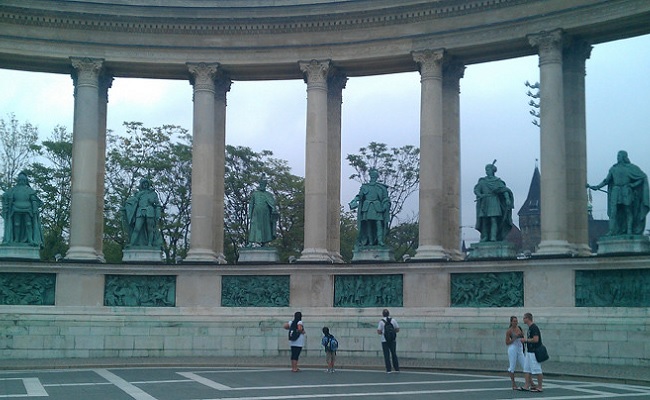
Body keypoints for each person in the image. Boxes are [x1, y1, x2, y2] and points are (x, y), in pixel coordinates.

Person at [588, 150, 649, 236]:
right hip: (616, 190)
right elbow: (606, 181)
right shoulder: (613, 169)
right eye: (617, 156)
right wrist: (597, 186)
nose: (618, 157)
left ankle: (629, 231)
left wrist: (633, 184)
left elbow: (642, 177)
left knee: (628, 211)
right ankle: (612, 230)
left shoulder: (630, 168)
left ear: (624, 157)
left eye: (619, 156)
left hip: (626, 190)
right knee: (614, 212)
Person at [349, 168, 390, 247]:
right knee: (368, 225)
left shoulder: (381, 188)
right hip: (367, 207)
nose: (373, 177)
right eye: (372, 176)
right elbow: (360, 196)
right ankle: (370, 242)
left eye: (375, 176)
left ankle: (380, 241)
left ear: (376, 177)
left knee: (378, 224)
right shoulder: (365, 187)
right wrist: (354, 200)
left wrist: (385, 206)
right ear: (370, 177)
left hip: (378, 208)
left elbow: (385, 199)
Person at [473, 162, 514, 242]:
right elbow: (476, 190)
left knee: (493, 219)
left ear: (492, 170)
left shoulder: (498, 181)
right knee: (485, 220)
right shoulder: (482, 181)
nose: (486, 171)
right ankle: (485, 236)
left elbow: (504, 190)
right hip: (485, 202)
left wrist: (507, 199)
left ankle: (493, 237)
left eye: (488, 169)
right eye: (486, 170)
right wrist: (480, 195)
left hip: (494, 201)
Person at [1, 171, 44, 247]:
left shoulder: (29, 190)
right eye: (20, 180)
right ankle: (16, 239)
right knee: (16, 224)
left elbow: (33, 199)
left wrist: (34, 208)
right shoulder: (13, 190)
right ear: (18, 180)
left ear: (25, 180)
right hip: (15, 209)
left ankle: (30, 239)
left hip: (28, 209)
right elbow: (6, 196)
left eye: (23, 180)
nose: (21, 181)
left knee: (28, 224)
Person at [122, 178, 162, 247]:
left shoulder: (153, 193)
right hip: (140, 211)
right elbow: (133, 202)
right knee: (137, 228)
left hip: (150, 211)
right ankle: (132, 243)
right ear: (142, 185)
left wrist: (158, 213)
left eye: (146, 183)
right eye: (144, 183)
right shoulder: (138, 194)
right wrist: (126, 206)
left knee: (150, 229)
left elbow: (158, 204)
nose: (145, 185)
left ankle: (150, 244)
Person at [247, 178, 278, 246]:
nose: (262, 185)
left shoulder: (268, 194)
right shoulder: (255, 194)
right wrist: (249, 214)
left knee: (266, 227)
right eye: (261, 184)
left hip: (265, 213)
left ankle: (265, 242)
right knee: (255, 227)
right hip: (256, 213)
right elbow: (251, 204)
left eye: (263, 184)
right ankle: (252, 242)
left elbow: (272, 204)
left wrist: (273, 210)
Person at [519, 312, 543, 392]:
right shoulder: (530, 328)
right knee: (526, 369)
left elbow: (536, 339)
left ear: (527, 318)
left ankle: (539, 386)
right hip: (529, 351)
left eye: (524, 318)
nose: (523, 319)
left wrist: (525, 340)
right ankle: (526, 385)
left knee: (537, 369)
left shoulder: (534, 328)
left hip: (534, 351)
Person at [505, 316, 525, 390]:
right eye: (514, 321)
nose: (515, 322)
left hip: (520, 348)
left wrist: (521, 335)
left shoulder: (519, 328)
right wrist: (514, 338)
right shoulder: (509, 331)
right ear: (511, 322)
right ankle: (513, 383)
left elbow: (523, 336)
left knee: (525, 365)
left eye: (516, 321)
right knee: (512, 366)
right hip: (512, 348)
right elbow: (507, 342)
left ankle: (530, 382)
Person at [377, 309, 400, 373]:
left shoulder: (381, 322)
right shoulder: (393, 320)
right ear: (389, 314)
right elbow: (397, 329)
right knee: (394, 354)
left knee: (386, 355)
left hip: (384, 340)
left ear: (383, 314)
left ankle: (388, 369)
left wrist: (384, 333)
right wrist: (392, 333)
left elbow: (379, 331)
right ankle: (396, 368)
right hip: (393, 340)